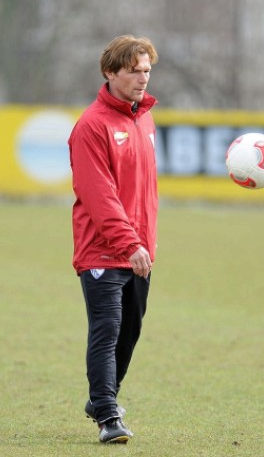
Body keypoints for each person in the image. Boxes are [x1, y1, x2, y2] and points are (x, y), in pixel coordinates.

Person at [68, 35, 159, 444]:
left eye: (146, 71)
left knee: (130, 331)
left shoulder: (145, 118)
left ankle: (101, 398)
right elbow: (99, 195)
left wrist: (144, 244)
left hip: (139, 250)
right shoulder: (91, 125)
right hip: (104, 249)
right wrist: (129, 244)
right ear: (110, 72)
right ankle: (107, 415)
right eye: (134, 71)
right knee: (107, 329)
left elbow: (143, 190)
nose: (143, 79)